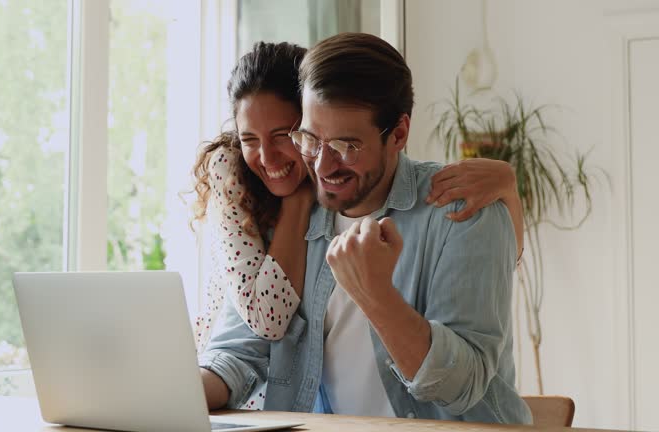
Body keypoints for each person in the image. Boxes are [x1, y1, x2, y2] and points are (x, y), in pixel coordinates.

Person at [197, 34, 531, 424]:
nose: (322, 167)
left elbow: (462, 387)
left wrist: (376, 296)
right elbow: (240, 351)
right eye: (310, 139)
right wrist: (169, 392)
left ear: (399, 134)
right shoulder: (291, 215)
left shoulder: (462, 208)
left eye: (346, 145)